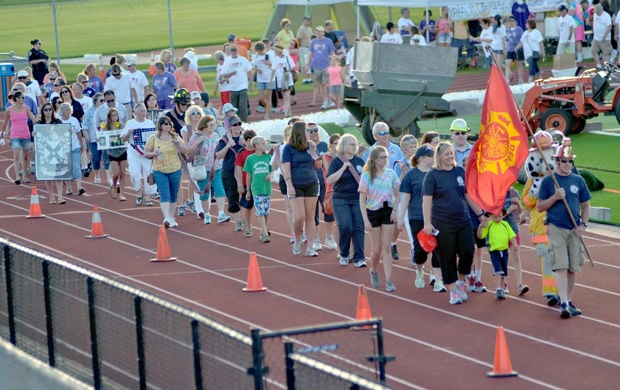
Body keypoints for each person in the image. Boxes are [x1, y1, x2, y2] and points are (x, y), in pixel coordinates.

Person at [422, 142, 485, 305]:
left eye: (451, 153)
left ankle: (460, 282)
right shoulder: (432, 175)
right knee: (446, 256)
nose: (450, 157)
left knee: (468, 252)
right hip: (442, 223)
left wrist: (480, 214)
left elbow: (467, 195)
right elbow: (426, 201)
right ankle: (453, 291)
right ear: (439, 157)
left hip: (463, 220)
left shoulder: (459, 172)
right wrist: (427, 223)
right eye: (446, 154)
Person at [537, 139, 591, 319]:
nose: (567, 164)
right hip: (555, 227)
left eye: (570, 161)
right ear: (557, 162)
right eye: (564, 161)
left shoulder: (579, 181)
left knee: (572, 268)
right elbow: (540, 206)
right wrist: (555, 197)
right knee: (560, 266)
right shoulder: (548, 182)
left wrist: (583, 225)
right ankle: (564, 303)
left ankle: (568, 299)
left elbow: (586, 205)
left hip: (574, 229)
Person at [398, 144, 445, 291]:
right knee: (421, 250)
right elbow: (405, 199)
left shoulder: (437, 173)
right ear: (422, 158)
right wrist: (400, 219)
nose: (434, 159)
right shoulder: (411, 176)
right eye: (431, 156)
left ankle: (438, 280)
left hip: (436, 216)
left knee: (438, 248)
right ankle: (419, 270)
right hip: (417, 217)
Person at [359, 146, 400, 291]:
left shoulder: (391, 174)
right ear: (375, 160)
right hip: (373, 211)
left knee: (387, 246)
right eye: (382, 157)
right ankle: (374, 270)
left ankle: (389, 280)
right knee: (376, 249)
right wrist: (365, 220)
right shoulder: (367, 175)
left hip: (387, 210)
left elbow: (398, 193)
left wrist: (395, 210)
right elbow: (362, 199)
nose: (385, 160)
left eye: (386, 157)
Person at [281, 121, 321, 257]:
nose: (310, 133)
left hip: (311, 183)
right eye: (307, 131)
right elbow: (286, 168)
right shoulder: (288, 148)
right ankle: (298, 239)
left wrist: (314, 151)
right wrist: (289, 185)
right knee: (299, 217)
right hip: (296, 184)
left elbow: (318, 165)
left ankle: (310, 247)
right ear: (300, 132)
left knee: (310, 217)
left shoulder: (310, 146)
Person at [326, 134, 366, 267]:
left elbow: (366, 180)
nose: (354, 147)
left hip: (357, 198)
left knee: (359, 227)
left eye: (355, 144)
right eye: (351, 144)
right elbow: (330, 180)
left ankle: (359, 257)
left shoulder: (360, 162)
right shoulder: (337, 161)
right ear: (343, 145)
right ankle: (344, 253)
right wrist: (343, 168)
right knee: (345, 226)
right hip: (341, 198)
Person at [144, 117, 187, 228]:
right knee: (164, 193)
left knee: (173, 194)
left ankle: (171, 217)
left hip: (175, 169)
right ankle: (166, 218)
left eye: (169, 124)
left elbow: (185, 151)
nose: (167, 126)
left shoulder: (175, 137)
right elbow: (146, 153)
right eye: (165, 124)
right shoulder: (153, 138)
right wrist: (154, 152)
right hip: (159, 170)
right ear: (160, 125)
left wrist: (178, 145)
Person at [186, 115, 228, 224]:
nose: (214, 126)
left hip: (215, 167)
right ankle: (207, 214)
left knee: (219, 189)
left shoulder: (215, 136)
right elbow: (188, 151)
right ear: (204, 125)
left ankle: (221, 213)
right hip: (201, 168)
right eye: (211, 124)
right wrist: (198, 142)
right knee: (204, 193)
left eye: (214, 124)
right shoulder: (196, 136)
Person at [477, 209, 519, 300]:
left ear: (503, 216)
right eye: (495, 216)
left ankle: (502, 286)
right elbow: (480, 236)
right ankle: (498, 289)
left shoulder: (505, 224)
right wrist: (480, 227)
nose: (498, 218)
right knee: (497, 270)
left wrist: (514, 245)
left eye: (500, 216)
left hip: (504, 251)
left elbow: (511, 235)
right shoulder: (489, 225)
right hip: (494, 251)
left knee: (503, 271)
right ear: (490, 216)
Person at [121, 103, 157, 207]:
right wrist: (129, 133)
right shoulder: (130, 123)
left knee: (148, 175)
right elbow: (123, 139)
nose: (143, 113)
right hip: (134, 154)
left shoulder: (150, 123)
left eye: (144, 111)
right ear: (135, 113)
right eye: (141, 111)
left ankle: (148, 198)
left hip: (147, 153)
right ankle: (139, 192)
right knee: (134, 174)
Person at [216, 115, 245, 228]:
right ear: (230, 127)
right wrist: (228, 145)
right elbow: (218, 156)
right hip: (229, 170)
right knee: (233, 197)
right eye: (235, 125)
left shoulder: (245, 137)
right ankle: (238, 221)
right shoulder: (224, 140)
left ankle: (243, 219)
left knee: (245, 195)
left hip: (244, 170)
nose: (237, 127)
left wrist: (245, 143)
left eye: (239, 124)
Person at [2, 91, 36, 184]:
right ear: (16, 99)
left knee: (25, 157)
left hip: (25, 134)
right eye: (22, 97)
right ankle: (17, 176)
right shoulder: (9, 110)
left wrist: (35, 129)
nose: (23, 99)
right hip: (15, 135)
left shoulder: (26, 108)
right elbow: (5, 122)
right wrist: (2, 132)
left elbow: (33, 119)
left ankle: (24, 175)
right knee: (16, 154)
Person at [243, 136, 273, 243]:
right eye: (263, 143)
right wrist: (248, 190)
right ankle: (265, 234)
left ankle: (262, 230)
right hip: (256, 188)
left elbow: (272, 169)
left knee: (266, 212)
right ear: (256, 145)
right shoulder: (250, 159)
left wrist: (270, 174)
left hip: (267, 188)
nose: (265, 145)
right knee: (260, 211)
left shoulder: (268, 157)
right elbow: (248, 175)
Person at [271, 124, 296, 242]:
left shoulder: (300, 147)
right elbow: (275, 167)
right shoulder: (280, 148)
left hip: (299, 178)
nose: (290, 137)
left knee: (301, 207)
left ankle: (305, 231)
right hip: (284, 178)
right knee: (290, 207)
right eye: (288, 135)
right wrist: (276, 153)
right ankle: (294, 233)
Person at [36, 102, 65, 203]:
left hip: (57, 151)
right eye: (45, 110)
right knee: (48, 176)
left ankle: (60, 196)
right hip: (45, 153)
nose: (48, 111)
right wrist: (34, 133)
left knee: (58, 175)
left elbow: (63, 134)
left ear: (52, 111)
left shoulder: (58, 121)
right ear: (42, 112)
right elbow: (36, 137)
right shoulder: (39, 124)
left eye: (50, 109)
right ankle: (51, 196)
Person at [57, 103, 86, 196]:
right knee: (67, 168)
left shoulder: (74, 120)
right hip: (63, 148)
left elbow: (78, 133)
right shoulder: (59, 121)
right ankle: (69, 188)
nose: (68, 112)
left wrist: (81, 144)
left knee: (77, 167)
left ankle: (79, 187)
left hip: (74, 146)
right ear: (62, 112)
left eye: (69, 109)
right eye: (66, 110)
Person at [305, 26, 336, 110]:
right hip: (316, 66)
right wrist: (308, 64)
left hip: (326, 65)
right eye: (317, 32)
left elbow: (332, 52)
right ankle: (325, 100)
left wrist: (333, 62)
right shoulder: (313, 42)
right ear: (315, 33)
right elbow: (311, 53)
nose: (319, 33)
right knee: (320, 85)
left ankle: (329, 99)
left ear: (323, 33)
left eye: (321, 32)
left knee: (326, 84)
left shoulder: (328, 41)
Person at [220, 46, 252, 122]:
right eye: (232, 51)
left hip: (243, 86)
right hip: (233, 87)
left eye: (235, 51)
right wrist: (231, 73)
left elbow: (249, 71)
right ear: (230, 52)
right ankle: (235, 121)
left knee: (243, 105)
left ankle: (244, 121)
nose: (233, 52)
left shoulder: (243, 60)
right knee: (234, 106)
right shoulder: (227, 61)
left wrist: (251, 83)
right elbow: (224, 74)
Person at [102, 108, 128, 201]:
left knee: (122, 172)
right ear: (109, 117)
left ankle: (121, 194)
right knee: (116, 173)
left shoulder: (122, 126)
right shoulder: (105, 127)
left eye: (116, 115)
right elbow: (102, 139)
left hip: (122, 151)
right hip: (112, 153)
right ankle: (114, 185)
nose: (114, 117)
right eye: (112, 115)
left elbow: (126, 137)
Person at [235, 129, 257, 237]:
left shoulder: (258, 151)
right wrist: (240, 184)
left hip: (258, 183)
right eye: (249, 140)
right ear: (245, 141)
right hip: (246, 182)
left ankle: (264, 229)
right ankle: (248, 227)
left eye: (252, 140)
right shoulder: (241, 153)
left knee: (262, 207)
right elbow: (239, 169)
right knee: (248, 206)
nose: (251, 143)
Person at [270, 45, 294, 117]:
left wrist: (287, 70)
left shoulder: (287, 57)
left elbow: (292, 67)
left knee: (286, 98)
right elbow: (273, 69)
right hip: (280, 81)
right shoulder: (275, 59)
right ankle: (289, 113)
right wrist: (271, 79)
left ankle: (286, 114)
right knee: (285, 98)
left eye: (275, 51)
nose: (274, 52)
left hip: (287, 79)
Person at [252, 42, 274, 120]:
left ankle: (267, 114)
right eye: (258, 51)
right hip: (260, 79)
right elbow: (253, 64)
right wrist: (257, 69)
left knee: (268, 97)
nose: (259, 52)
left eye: (260, 50)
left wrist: (269, 63)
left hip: (269, 78)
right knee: (261, 98)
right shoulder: (255, 56)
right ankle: (268, 108)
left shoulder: (268, 56)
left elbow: (274, 66)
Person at [505, 16, 525, 85]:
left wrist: (517, 47)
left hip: (517, 49)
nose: (510, 22)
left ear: (515, 22)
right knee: (507, 63)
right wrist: (506, 48)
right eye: (509, 21)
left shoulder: (519, 29)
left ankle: (521, 79)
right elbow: (507, 40)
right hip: (510, 49)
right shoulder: (508, 30)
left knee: (518, 64)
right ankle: (507, 80)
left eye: (512, 21)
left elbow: (522, 40)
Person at [592, 3, 612, 70]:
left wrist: (604, 36)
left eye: (597, 12)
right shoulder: (595, 14)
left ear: (601, 10)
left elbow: (609, 26)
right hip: (596, 37)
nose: (596, 13)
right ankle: (598, 65)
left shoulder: (606, 16)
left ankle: (606, 66)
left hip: (605, 38)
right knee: (593, 51)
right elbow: (594, 23)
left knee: (606, 53)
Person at [297, 16, 313, 84]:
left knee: (308, 63)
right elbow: (298, 39)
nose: (308, 22)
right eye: (307, 20)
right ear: (304, 21)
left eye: (309, 20)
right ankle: (304, 78)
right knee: (304, 63)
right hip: (303, 47)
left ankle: (308, 78)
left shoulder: (309, 28)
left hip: (309, 47)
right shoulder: (301, 29)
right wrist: (300, 47)